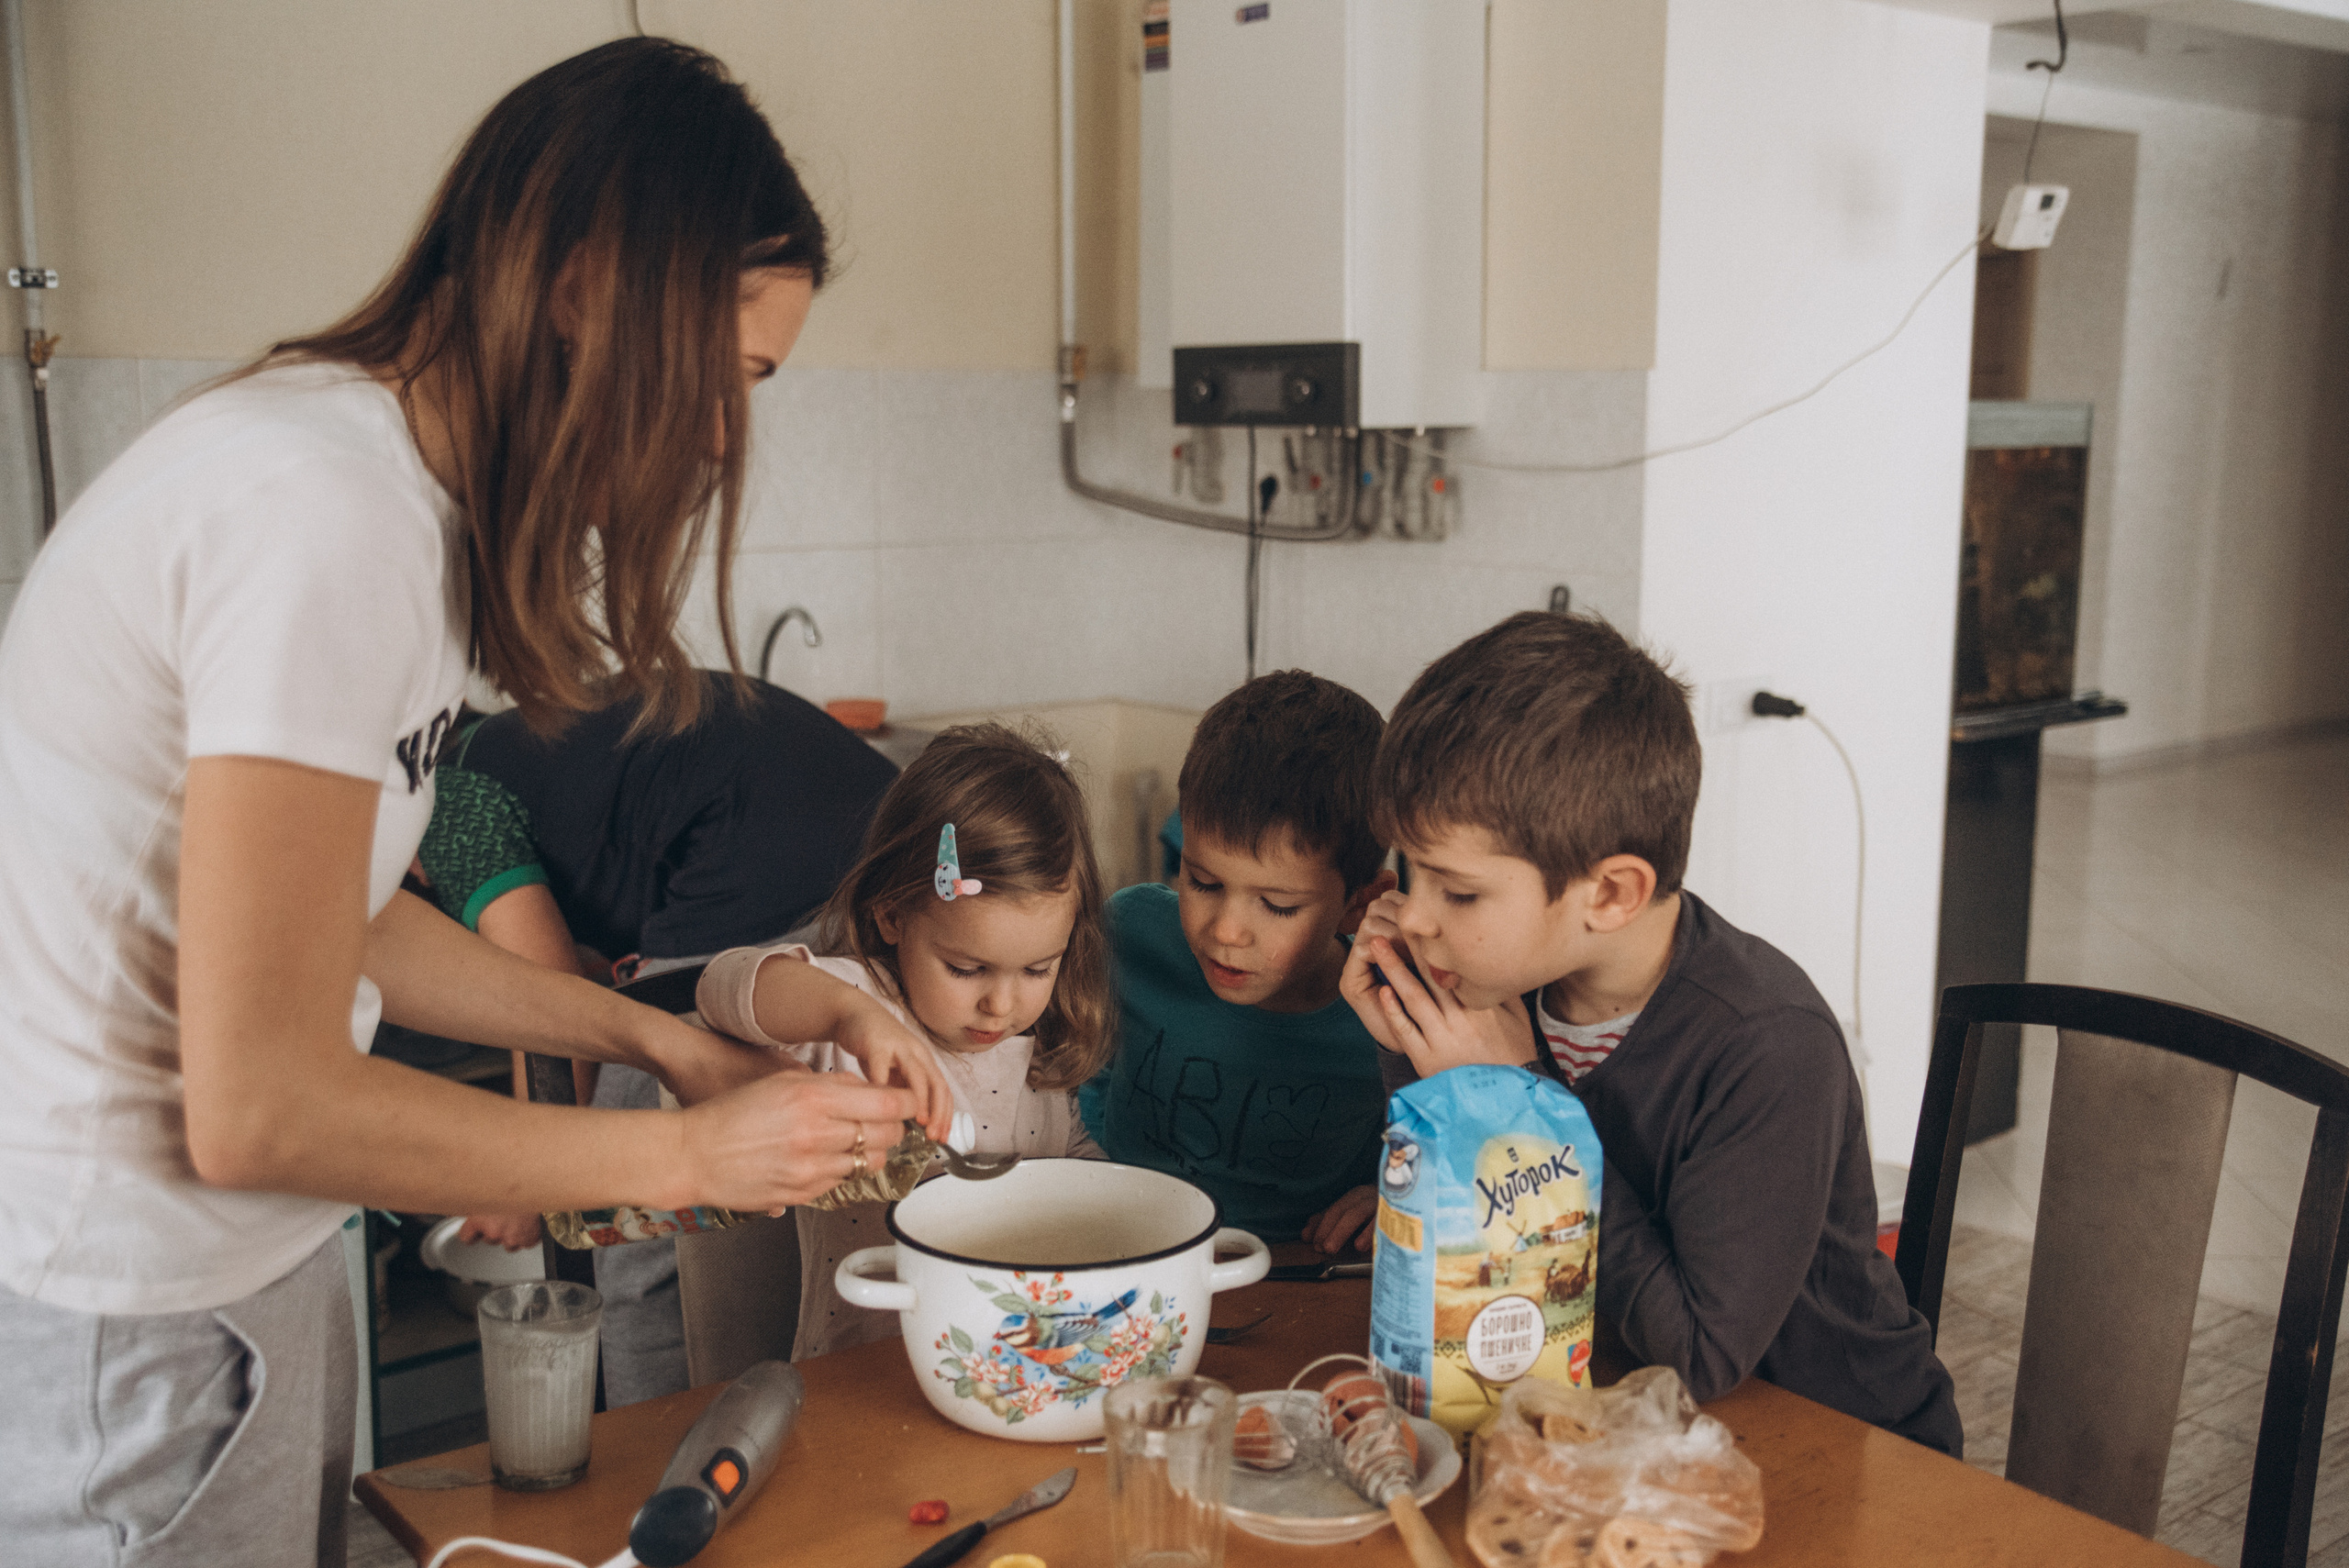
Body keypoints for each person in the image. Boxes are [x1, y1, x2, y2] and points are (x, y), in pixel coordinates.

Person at [0, 40, 952, 1566]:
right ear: (581, 284)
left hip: (227, 1281)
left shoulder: (381, 492)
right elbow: (258, 1102)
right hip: (137, 1308)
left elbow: (346, 917)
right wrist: (683, 1156)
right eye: (721, 376)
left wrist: (662, 1041)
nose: (720, 439)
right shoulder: (321, 514)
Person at [1338, 611, 1962, 1454]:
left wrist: (1524, 1106)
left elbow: (1697, 1356)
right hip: (1611, 1425)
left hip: (1832, 1445)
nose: (1411, 914)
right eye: (1410, 870)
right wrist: (1416, 1052)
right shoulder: (1500, 985)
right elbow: (1480, 1244)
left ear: (1611, 894)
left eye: (1459, 892)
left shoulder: (1768, 1045)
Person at [412, 671, 899, 1405]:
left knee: (632, 1220)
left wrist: (522, 1184)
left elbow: (542, 987)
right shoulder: (526, 747)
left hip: (766, 854)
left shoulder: (440, 800)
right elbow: (583, 962)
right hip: (884, 835)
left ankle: (653, 1453)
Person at [696, 723, 1113, 1359]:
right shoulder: (861, 1008)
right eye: (966, 968)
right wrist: (847, 1014)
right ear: (893, 914)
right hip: (856, 1372)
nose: (1001, 1004)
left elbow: (1073, 1160)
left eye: (1036, 969)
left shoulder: (1037, 1048)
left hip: (1002, 1364)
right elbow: (719, 986)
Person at [1078, 672, 1395, 1244]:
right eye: (1201, 882)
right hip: (1118, 1249)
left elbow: (1455, 1154)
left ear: (1358, 906)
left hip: (1295, 1279)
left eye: (1276, 906)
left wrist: (1392, 1194)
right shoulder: (1129, 933)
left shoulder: (1390, 1009)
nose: (1225, 931)